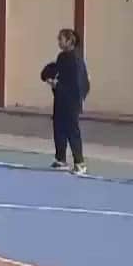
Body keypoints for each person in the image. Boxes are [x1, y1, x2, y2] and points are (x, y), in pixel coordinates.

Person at [43, 28, 90, 175]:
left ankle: (80, 163)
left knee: (72, 130)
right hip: (61, 99)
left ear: (70, 41)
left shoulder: (76, 59)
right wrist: (47, 76)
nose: (59, 41)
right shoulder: (62, 57)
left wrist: (59, 86)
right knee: (59, 128)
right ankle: (60, 159)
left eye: (61, 39)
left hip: (71, 101)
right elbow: (56, 72)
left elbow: (77, 84)